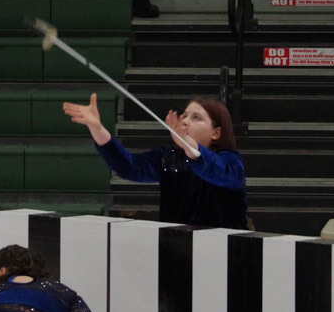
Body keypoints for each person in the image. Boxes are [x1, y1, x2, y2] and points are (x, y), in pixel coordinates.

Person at [63, 93, 248, 229]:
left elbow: (217, 170)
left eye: (196, 118)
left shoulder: (231, 161)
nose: (185, 121)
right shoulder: (167, 156)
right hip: (177, 251)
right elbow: (130, 167)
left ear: (216, 132)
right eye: (184, 116)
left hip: (224, 256)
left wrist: (189, 145)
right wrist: (97, 128)